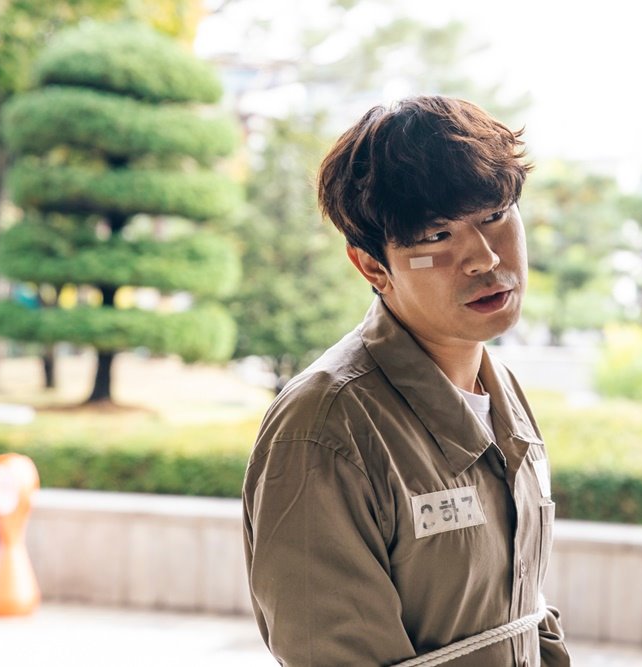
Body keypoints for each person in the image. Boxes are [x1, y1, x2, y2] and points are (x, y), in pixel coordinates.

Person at [242, 95, 570, 667]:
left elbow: (521, 612)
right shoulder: (325, 426)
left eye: (494, 215)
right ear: (373, 266)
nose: (484, 258)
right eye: (437, 236)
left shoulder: (502, 390)